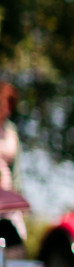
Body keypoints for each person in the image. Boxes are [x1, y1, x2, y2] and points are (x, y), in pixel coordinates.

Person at [0, 81, 26, 239]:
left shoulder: (11, 130)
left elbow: (16, 168)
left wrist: (17, 193)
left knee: (14, 237)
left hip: (7, 195)